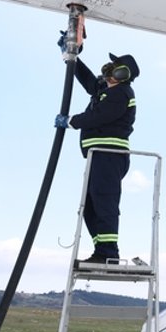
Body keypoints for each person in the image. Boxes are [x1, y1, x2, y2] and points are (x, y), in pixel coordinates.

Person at [55, 46, 140, 266]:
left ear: (123, 73)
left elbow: (100, 116)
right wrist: (71, 58)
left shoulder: (122, 93)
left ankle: (108, 253)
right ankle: (102, 250)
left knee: (104, 201)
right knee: (91, 206)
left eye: (115, 66)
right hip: (97, 155)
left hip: (110, 154)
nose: (108, 70)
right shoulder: (105, 90)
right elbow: (88, 81)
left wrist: (71, 121)